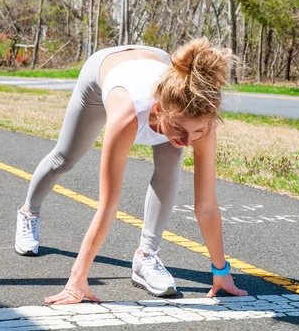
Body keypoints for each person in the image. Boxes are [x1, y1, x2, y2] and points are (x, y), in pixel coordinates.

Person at [14, 37, 247, 304]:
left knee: (170, 167)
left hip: (153, 58)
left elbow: (205, 206)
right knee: (65, 158)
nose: (188, 140)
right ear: (159, 110)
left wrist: (221, 272)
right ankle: (28, 212)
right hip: (104, 71)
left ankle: (146, 256)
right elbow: (108, 206)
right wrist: (77, 280)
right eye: (180, 130)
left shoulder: (201, 120)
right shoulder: (127, 115)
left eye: (196, 132)